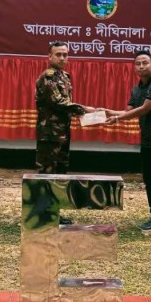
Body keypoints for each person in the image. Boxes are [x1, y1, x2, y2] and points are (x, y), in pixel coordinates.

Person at [104, 50, 151, 241]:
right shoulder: (137, 89)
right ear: (134, 67)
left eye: (145, 63)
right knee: (150, 181)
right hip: (148, 142)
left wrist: (117, 118)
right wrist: (105, 112)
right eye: (138, 63)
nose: (141, 66)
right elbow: (128, 110)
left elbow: (143, 110)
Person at [35, 41, 94, 224]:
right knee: (47, 173)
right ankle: (42, 213)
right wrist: (85, 109)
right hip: (49, 133)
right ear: (49, 57)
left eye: (65, 54)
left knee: (60, 173)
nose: (62, 58)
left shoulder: (65, 76)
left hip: (63, 132)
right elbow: (58, 102)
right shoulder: (49, 77)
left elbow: (66, 106)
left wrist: (82, 112)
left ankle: (54, 212)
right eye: (58, 54)